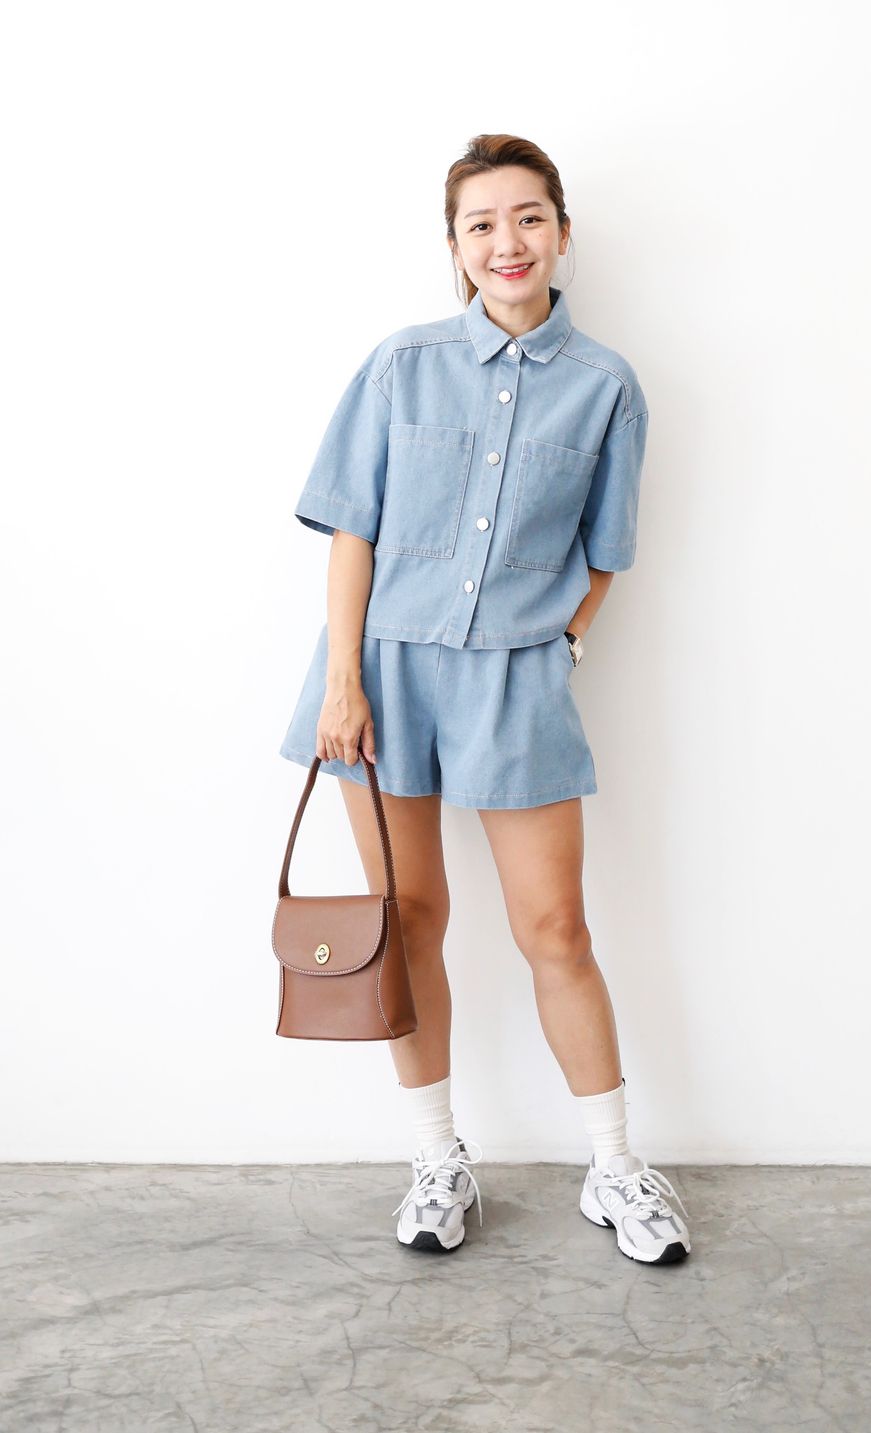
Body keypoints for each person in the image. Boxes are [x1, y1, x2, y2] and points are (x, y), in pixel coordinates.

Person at [279, 134, 691, 1265]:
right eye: (481, 224)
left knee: (556, 928)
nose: (506, 242)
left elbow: (605, 553)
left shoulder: (606, 386)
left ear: (560, 230)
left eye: (527, 217)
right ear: (455, 245)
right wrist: (345, 680)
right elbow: (352, 529)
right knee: (408, 922)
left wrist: (561, 645)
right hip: (383, 675)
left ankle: (614, 1166)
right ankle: (437, 1159)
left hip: (516, 678)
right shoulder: (401, 365)